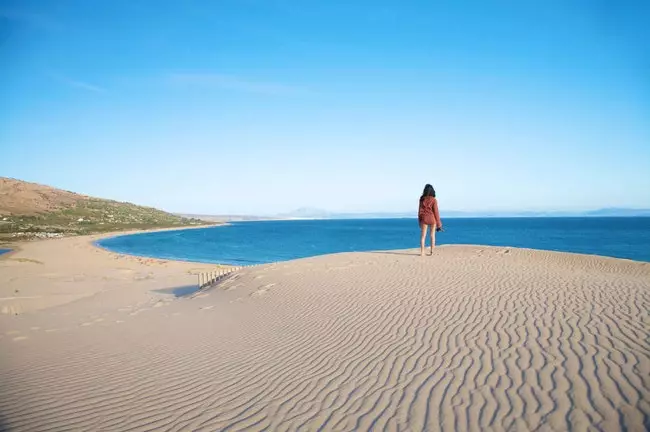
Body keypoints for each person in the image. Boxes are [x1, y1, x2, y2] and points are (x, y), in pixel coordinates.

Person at [418, 184, 443, 256]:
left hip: (424, 219)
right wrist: (439, 224)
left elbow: (419, 211)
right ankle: (432, 252)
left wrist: (419, 221)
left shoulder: (422, 199)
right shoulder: (434, 200)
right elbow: (436, 212)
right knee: (432, 236)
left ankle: (422, 252)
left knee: (423, 236)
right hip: (432, 219)